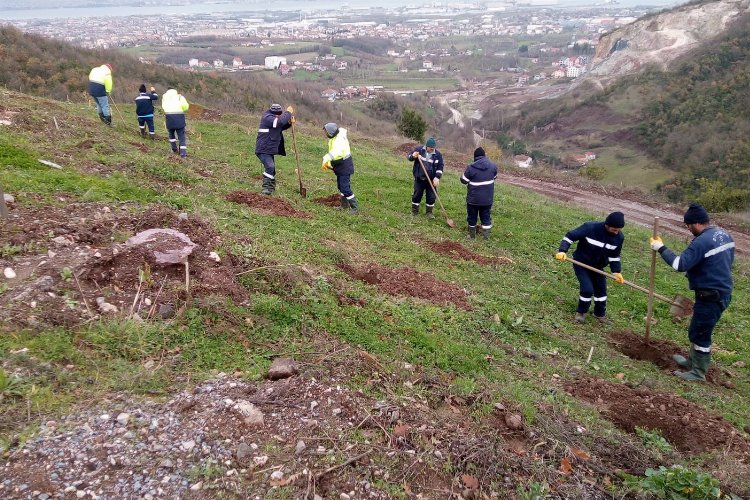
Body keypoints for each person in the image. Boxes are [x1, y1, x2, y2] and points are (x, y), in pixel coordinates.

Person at [650, 203, 735, 382]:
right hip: (721, 290)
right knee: (697, 329)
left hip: (711, 295)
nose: (688, 229)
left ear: (695, 223)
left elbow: (679, 264)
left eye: (688, 226)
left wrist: (661, 248)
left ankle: (698, 372)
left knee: (701, 333)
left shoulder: (702, 241)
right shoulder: (723, 235)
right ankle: (691, 362)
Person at [555, 212, 625, 324]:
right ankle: (581, 312)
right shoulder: (590, 228)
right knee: (587, 289)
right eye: (614, 229)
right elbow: (570, 237)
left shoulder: (619, 238)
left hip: (598, 267)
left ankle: (600, 314)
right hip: (581, 263)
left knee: (601, 291)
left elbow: (614, 255)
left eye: (619, 230)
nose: (616, 232)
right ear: (607, 225)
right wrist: (562, 251)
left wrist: (616, 271)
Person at [255, 103, 293, 195]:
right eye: (278, 115)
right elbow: (279, 122)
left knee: (272, 169)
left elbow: (280, 126)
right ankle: (266, 190)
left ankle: (271, 189)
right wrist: (288, 113)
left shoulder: (274, 120)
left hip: (269, 149)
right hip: (263, 149)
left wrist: (289, 123)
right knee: (270, 167)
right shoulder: (267, 118)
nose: (279, 116)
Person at [460, 147, 497, 240]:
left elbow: (464, 180)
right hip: (487, 199)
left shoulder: (471, 167)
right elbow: (495, 177)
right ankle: (486, 237)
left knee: (472, 217)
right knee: (486, 216)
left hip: (473, 199)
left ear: (475, 157)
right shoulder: (493, 166)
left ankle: (472, 236)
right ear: (484, 155)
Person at [322, 122, 358, 213]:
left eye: (326, 132)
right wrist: (329, 163)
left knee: (345, 187)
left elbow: (335, 153)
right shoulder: (335, 137)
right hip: (340, 166)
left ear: (331, 132)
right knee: (341, 186)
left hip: (344, 166)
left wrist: (325, 159)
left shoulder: (339, 141)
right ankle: (344, 205)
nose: (325, 134)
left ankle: (355, 208)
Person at [407, 137, 444, 218]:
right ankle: (414, 211)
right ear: (426, 146)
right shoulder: (419, 150)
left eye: (433, 148)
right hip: (420, 178)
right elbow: (409, 157)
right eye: (430, 148)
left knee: (431, 196)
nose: (432, 149)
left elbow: (440, 167)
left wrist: (437, 178)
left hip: (431, 180)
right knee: (417, 194)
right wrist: (413, 156)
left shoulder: (438, 155)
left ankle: (429, 212)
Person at [162, 88, 189, 158]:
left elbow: (163, 107)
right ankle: (183, 154)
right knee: (181, 136)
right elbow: (186, 107)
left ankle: (174, 149)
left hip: (169, 117)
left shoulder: (164, 97)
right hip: (179, 117)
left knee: (171, 134)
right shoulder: (180, 97)